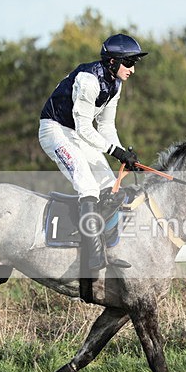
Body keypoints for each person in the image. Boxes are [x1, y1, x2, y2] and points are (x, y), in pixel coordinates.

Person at [39, 33, 147, 290]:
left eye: (134, 63)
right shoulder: (89, 81)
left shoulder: (115, 84)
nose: (133, 69)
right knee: (87, 185)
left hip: (77, 132)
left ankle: (106, 247)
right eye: (129, 62)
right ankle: (92, 257)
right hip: (56, 130)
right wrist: (115, 152)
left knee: (110, 185)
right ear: (112, 62)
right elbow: (84, 127)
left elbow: (106, 126)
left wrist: (122, 152)